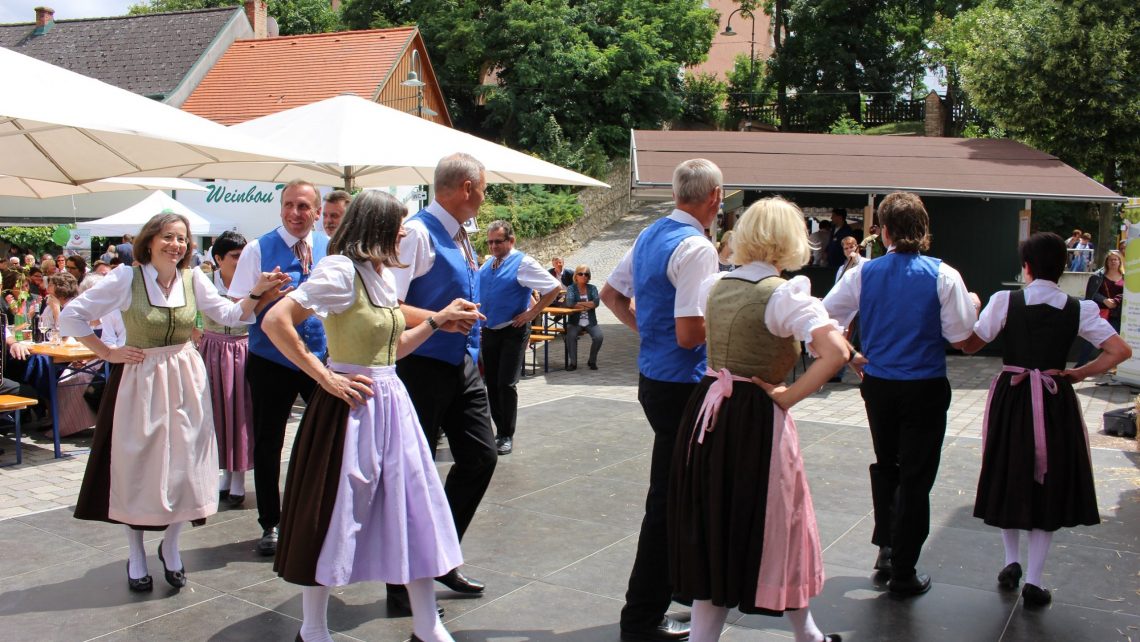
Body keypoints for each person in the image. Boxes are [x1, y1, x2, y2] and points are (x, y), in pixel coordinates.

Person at [265, 191, 480, 642]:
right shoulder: (340, 270)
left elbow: (391, 351)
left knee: (413, 506)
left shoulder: (379, 275)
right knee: (335, 512)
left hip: (390, 401)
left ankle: (427, 623)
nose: (404, 230)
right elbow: (276, 321)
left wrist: (437, 321)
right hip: (350, 408)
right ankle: (313, 627)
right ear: (377, 226)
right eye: (398, 223)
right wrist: (325, 377)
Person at [62, 211, 287, 594]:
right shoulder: (125, 278)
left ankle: (171, 544)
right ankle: (135, 552)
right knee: (141, 465)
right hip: (142, 379)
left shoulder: (192, 277)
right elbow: (72, 315)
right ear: (149, 241)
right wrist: (109, 352)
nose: (176, 245)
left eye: (182, 239)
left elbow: (229, 314)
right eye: (168, 236)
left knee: (187, 464)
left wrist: (256, 292)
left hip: (185, 377)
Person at [669, 197, 846, 642]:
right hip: (754, 423)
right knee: (775, 521)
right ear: (791, 240)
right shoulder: (783, 294)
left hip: (708, 412)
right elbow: (835, 354)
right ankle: (807, 634)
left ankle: (787, 634)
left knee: (714, 521)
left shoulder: (715, 286)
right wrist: (788, 396)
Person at [959, 232, 1130, 608]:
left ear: (1027, 267)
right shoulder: (1078, 308)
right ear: (1061, 267)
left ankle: (1011, 562)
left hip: (1013, 395)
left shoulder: (1006, 301)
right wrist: (1080, 373)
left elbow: (970, 344)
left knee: (1010, 471)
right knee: (1045, 480)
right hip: (1054, 398)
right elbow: (1119, 350)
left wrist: (969, 308)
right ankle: (1033, 579)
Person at [823, 191, 979, 597]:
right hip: (924, 384)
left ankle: (888, 546)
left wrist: (852, 354)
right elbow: (961, 337)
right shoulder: (944, 275)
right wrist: (974, 305)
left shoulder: (862, 273)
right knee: (916, 476)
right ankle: (904, 568)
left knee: (887, 464)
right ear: (924, 230)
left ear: (884, 230)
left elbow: (824, 317)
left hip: (879, 385)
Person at [601, 158, 725, 642]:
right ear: (715, 196)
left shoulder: (650, 234)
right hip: (683, 386)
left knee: (676, 495)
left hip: (655, 379)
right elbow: (692, 332)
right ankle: (642, 616)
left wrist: (650, 334)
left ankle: (670, 593)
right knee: (669, 501)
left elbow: (611, 296)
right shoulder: (696, 247)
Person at [387, 152, 497, 611]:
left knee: (481, 457)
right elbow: (387, 302)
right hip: (421, 363)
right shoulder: (415, 234)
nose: (486, 196)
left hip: (460, 363)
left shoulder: (461, 235)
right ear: (467, 187)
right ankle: (400, 581)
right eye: (484, 188)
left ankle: (440, 555)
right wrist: (438, 317)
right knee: (415, 473)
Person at [228, 179, 330, 557]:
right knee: (269, 442)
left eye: (304, 206)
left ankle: (321, 512)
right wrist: (262, 295)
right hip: (270, 360)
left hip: (316, 357)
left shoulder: (327, 248)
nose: (295, 213)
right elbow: (237, 308)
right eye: (289, 205)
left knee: (328, 435)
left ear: (317, 212)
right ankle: (271, 521)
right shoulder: (257, 248)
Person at [479, 220, 561, 456]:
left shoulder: (522, 262)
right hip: (490, 330)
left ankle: (506, 433)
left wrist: (532, 313)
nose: (493, 245)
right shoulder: (490, 264)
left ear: (511, 241)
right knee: (492, 384)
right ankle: (498, 430)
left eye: (498, 241)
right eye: (491, 241)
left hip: (512, 331)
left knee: (506, 383)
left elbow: (553, 287)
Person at [199, 231, 255, 508]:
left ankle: (239, 477)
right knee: (217, 412)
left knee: (240, 413)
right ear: (218, 258)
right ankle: (224, 471)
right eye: (235, 256)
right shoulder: (205, 282)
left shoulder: (253, 282)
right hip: (212, 350)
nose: (240, 261)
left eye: (243, 255)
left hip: (243, 349)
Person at [1075, 250, 1124, 367]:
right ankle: (1080, 365)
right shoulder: (1098, 276)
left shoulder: (1125, 278)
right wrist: (1105, 300)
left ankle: (1106, 366)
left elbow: (1127, 294)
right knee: (1091, 341)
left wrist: (1116, 301)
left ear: (1120, 262)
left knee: (1113, 343)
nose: (1113, 262)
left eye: (1115, 259)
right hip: (1100, 313)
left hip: (1117, 314)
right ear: (1106, 262)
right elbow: (1092, 293)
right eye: (1110, 259)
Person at [564, 264, 603, 371]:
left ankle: (592, 360)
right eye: (581, 274)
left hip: (590, 321)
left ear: (589, 277)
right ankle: (573, 363)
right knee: (570, 337)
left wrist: (579, 304)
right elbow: (570, 303)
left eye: (586, 274)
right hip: (575, 321)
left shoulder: (592, 288)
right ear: (576, 276)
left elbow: (596, 303)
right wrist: (587, 304)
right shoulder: (571, 288)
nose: (584, 276)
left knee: (599, 337)